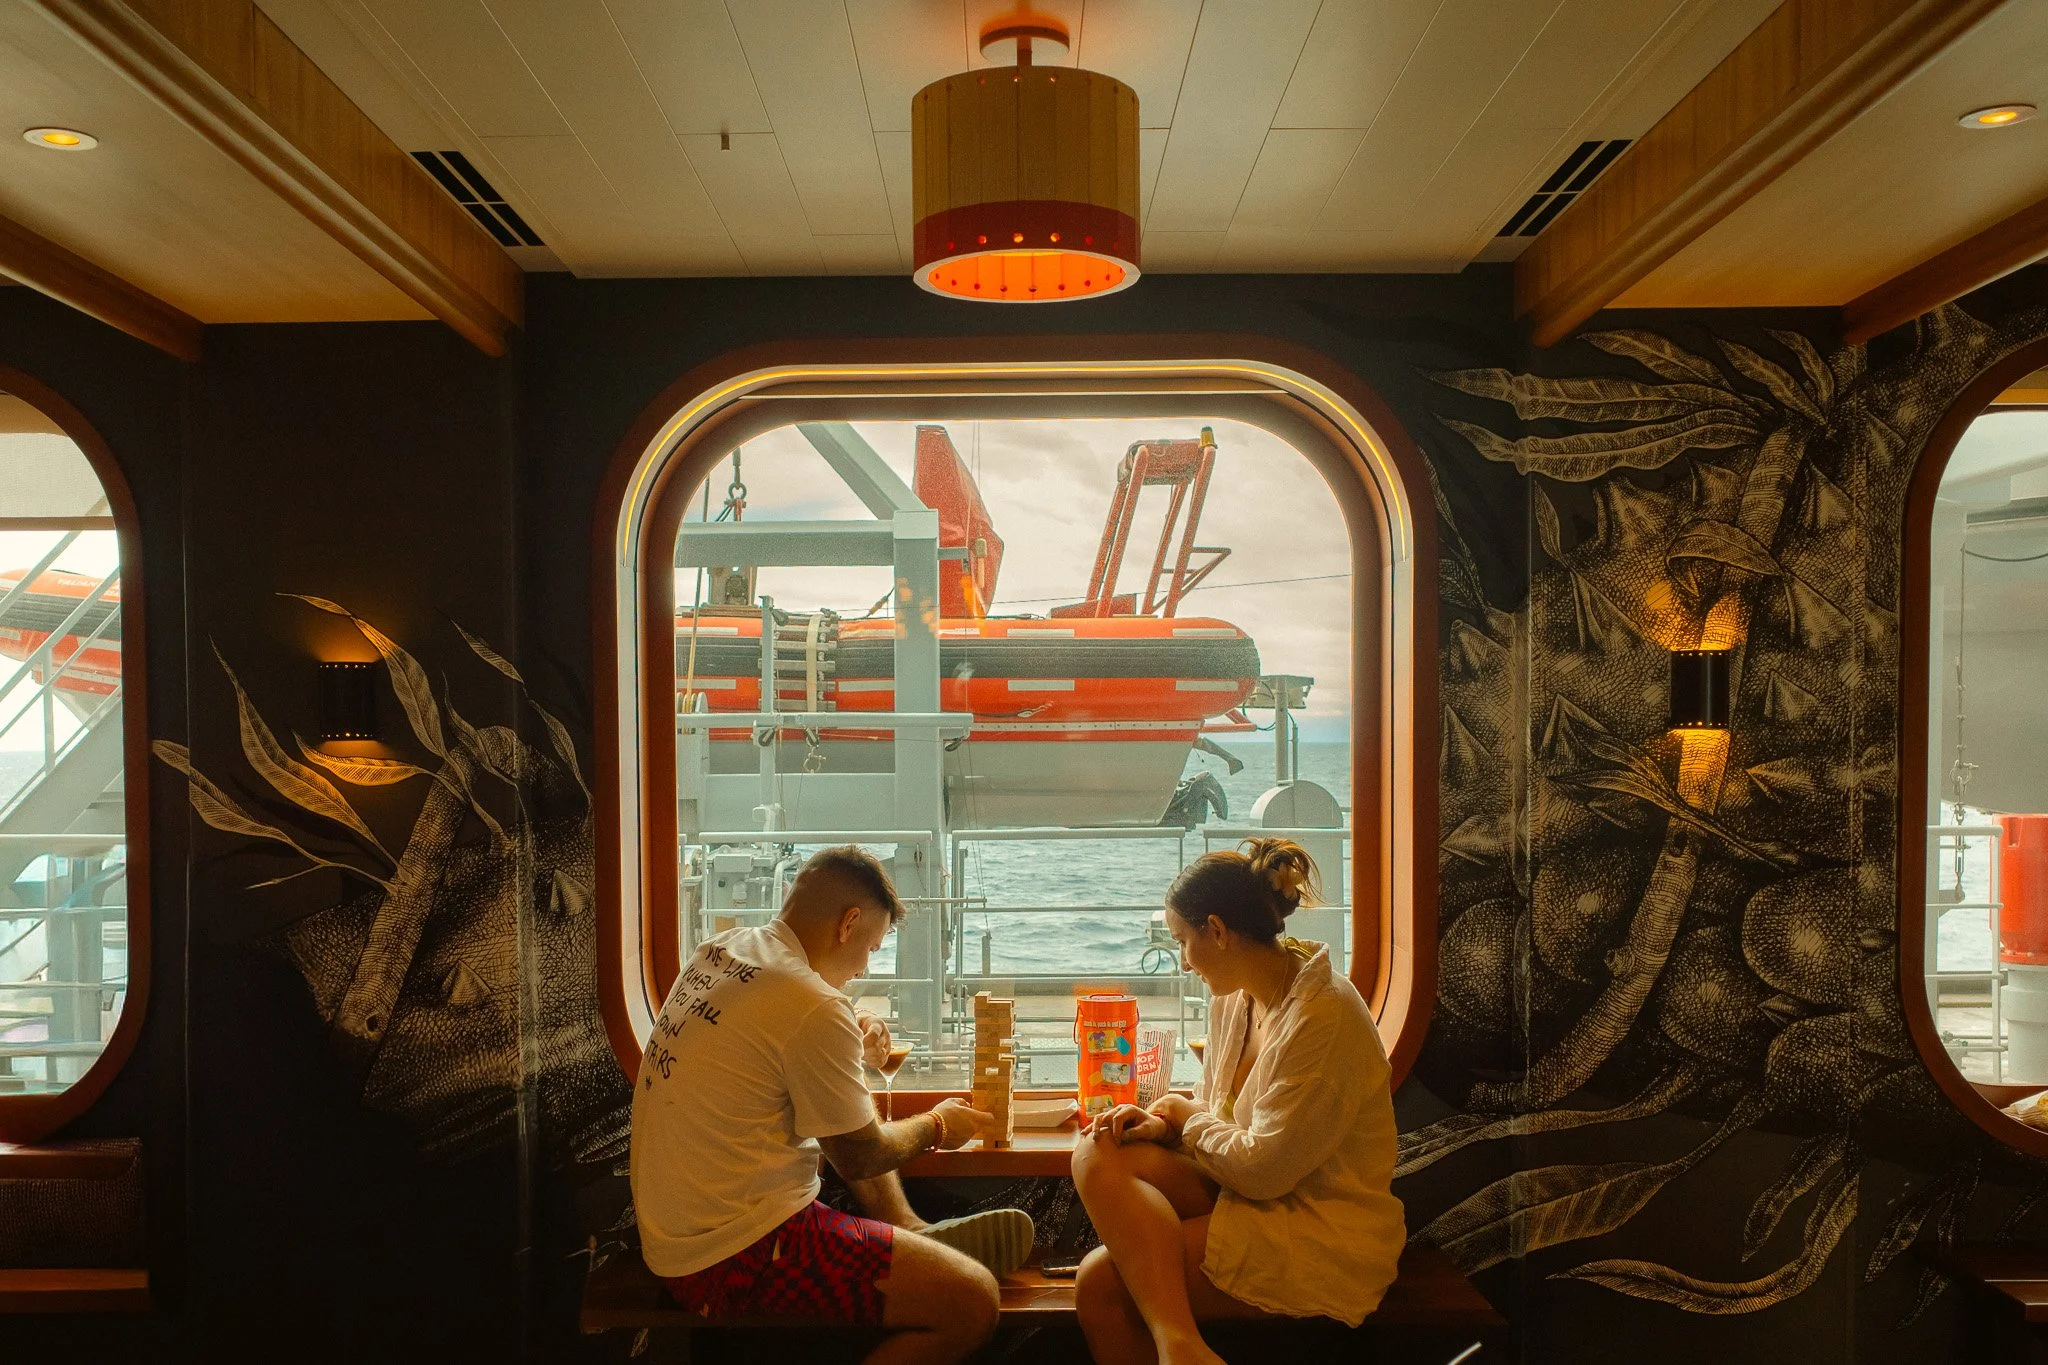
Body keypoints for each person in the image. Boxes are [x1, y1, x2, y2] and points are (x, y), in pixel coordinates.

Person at [631, 846, 1034, 1365]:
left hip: (674, 1233)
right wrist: (938, 1125)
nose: (865, 967)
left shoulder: (725, 949)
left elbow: (784, 1028)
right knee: (973, 1299)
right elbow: (860, 1157)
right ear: (848, 924)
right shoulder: (812, 1006)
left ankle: (907, 1228)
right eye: (872, 946)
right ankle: (913, 1240)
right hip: (734, 1251)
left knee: (840, 1110)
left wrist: (850, 1030)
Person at [1069, 838, 1404, 1365]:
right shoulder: (1235, 997)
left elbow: (1265, 1170)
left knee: (1099, 1284)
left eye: (1183, 941)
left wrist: (1184, 1116)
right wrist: (1169, 1122)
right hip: (1250, 1195)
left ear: (1218, 932)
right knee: (1097, 1149)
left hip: (1315, 1224)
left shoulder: (1325, 1015)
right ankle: (1181, 1345)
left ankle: (1179, 1345)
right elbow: (1215, 1112)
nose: (1183, 962)